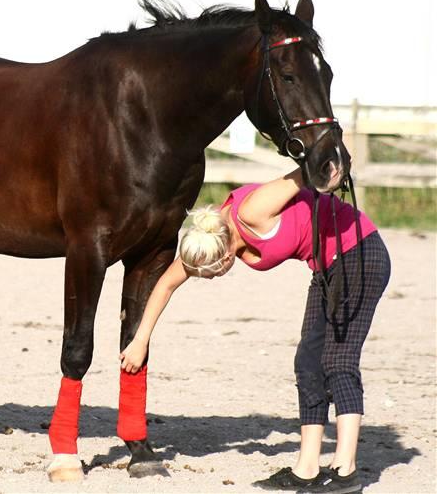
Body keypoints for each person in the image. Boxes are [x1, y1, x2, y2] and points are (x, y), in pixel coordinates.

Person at [119, 168, 390, 493]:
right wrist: (140, 339)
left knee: (337, 361)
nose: (217, 278)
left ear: (225, 254)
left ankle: (346, 472)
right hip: (326, 266)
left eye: (215, 274)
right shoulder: (207, 236)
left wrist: (334, 167)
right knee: (307, 364)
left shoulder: (251, 211)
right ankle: (306, 469)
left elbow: (305, 174)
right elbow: (165, 285)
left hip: (360, 252)